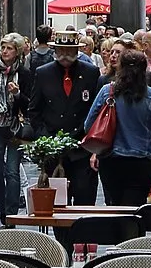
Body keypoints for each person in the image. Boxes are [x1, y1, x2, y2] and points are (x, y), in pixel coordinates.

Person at [24, 30, 104, 204]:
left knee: (85, 198)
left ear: (77, 51)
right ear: (55, 50)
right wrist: (45, 138)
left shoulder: (91, 72)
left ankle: (82, 231)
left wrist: (90, 139)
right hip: (53, 147)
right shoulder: (43, 73)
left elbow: (96, 109)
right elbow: (34, 110)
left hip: (82, 147)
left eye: (69, 51)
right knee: (58, 202)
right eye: (61, 50)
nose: (65, 55)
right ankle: (62, 233)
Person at [87, 47, 151, 206]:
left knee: (115, 205)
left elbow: (88, 124)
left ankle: (117, 230)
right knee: (135, 207)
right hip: (143, 161)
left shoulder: (107, 92)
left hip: (112, 159)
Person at [0, 34, 30, 223]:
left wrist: (18, 94)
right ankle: (2, 206)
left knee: (12, 170)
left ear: (17, 51)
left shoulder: (26, 73)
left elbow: (30, 104)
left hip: (15, 127)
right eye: (3, 47)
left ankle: (11, 212)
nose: (5, 51)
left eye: (9, 48)